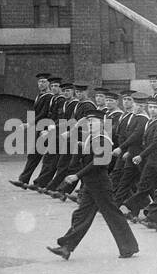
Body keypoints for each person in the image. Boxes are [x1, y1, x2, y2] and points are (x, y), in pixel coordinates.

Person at [46, 105, 140, 261]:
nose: (89, 124)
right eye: (88, 122)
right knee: (82, 215)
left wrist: (77, 175)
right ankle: (66, 247)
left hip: (100, 183)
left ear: (102, 124)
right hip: (91, 183)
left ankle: (128, 247)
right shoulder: (91, 138)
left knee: (112, 215)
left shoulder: (103, 139)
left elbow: (99, 162)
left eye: (93, 122)